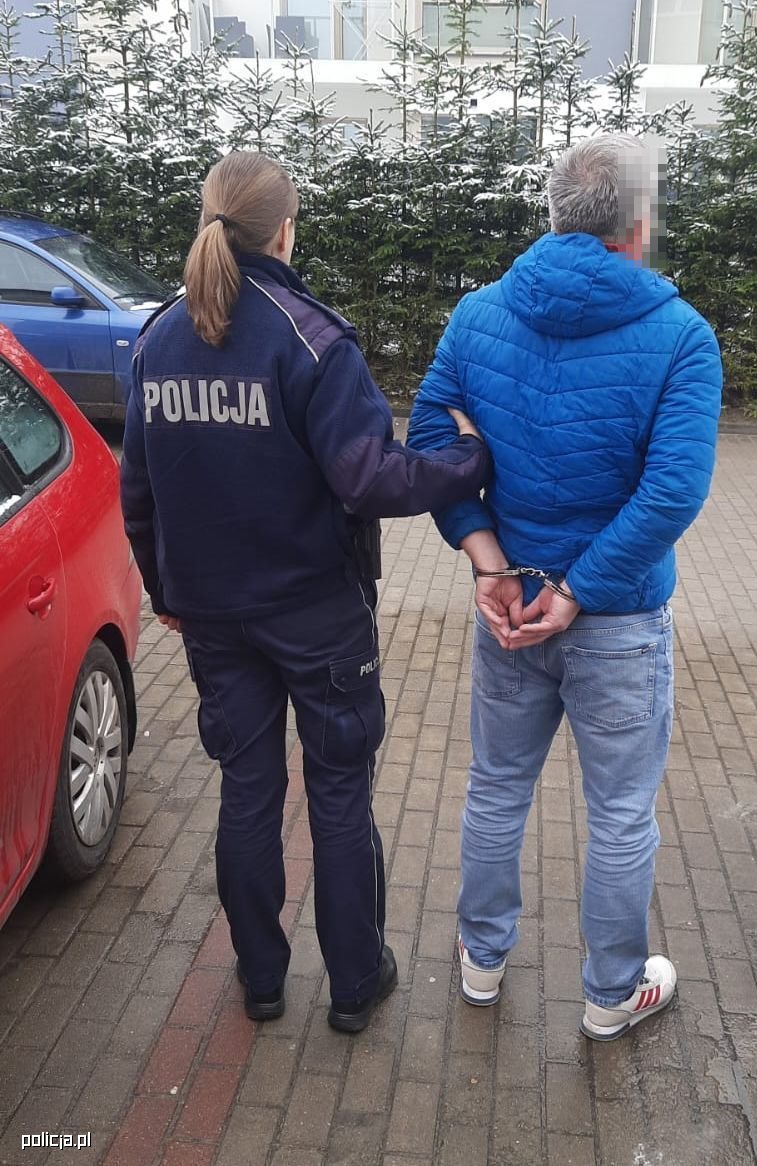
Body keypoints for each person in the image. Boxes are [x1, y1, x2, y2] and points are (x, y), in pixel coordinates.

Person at [120, 151, 489, 1034]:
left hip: (212, 614)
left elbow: (137, 490)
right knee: (338, 794)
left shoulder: (157, 340)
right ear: (286, 231)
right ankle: (356, 983)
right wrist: (469, 461)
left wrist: (164, 590)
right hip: (317, 615)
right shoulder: (313, 339)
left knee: (248, 791)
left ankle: (261, 981)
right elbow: (370, 478)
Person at [407, 134, 722, 1040]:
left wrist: (486, 558)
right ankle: (611, 994)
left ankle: (481, 960)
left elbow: (428, 436)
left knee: (497, 787)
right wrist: (578, 592)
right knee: (620, 813)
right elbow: (672, 492)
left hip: (511, 606)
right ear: (639, 224)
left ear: (554, 213)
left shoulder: (478, 314)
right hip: (615, 619)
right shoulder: (681, 336)